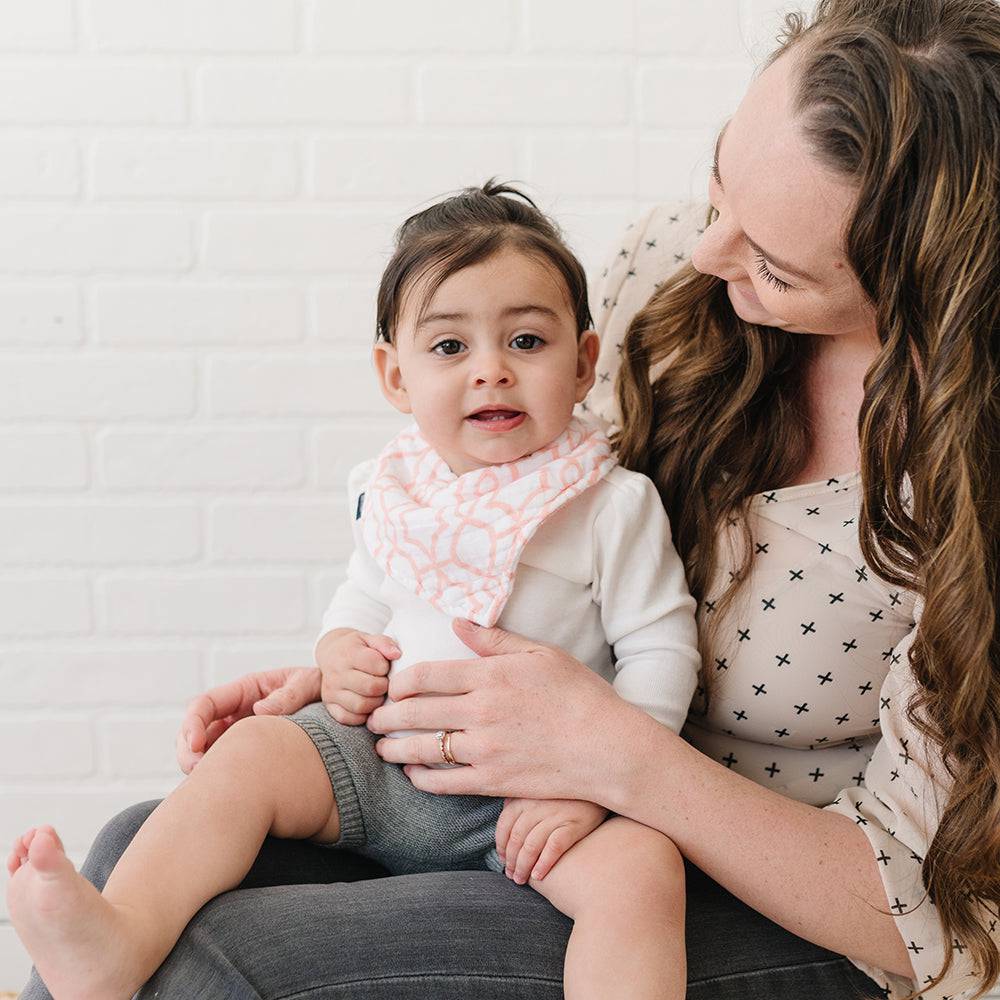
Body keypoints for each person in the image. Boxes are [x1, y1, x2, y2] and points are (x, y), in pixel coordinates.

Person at [16, 0, 1000, 998]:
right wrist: (350, 667)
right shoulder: (674, 262)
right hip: (487, 769)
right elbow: (477, 527)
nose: (708, 253)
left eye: (774, 265)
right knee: (133, 843)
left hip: (784, 898)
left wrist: (609, 763)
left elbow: (942, 911)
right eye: (719, 179)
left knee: (214, 971)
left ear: (921, 281)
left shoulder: (967, 482)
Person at [7, 182, 704, 1000]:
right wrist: (339, 651)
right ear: (395, 377)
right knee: (251, 754)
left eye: (525, 340)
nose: (490, 371)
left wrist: (595, 787)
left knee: (643, 872)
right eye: (449, 348)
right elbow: (365, 600)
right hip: (383, 761)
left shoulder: (609, 504)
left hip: (532, 797)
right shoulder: (390, 488)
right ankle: (114, 943)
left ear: (584, 363)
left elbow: (660, 650)